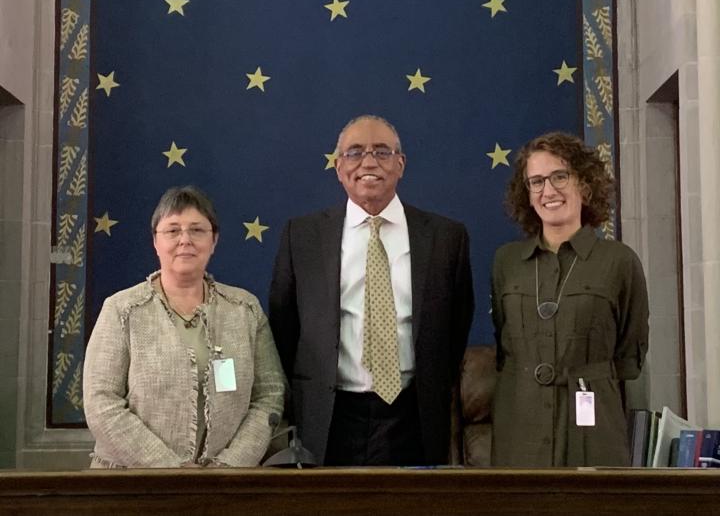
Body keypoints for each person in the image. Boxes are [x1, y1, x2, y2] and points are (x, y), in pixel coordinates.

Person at [269, 115, 474, 466]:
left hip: (414, 414)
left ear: (400, 164)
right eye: (354, 152)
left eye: (382, 151)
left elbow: (456, 326)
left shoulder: (445, 237)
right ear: (338, 167)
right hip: (331, 414)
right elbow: (284, 326)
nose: (368, 162)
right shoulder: (301, 236)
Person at [83, 186, 285, 468]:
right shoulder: (122, 309)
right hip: (130, 482)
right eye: (173, 230)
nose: (185, 240)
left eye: (197, 230)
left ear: (214, 240)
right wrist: (169, 468)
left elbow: (270, 395)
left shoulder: (245, 310)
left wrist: (230, 465)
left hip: (225, 485)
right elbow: (100, 403)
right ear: (155, 241)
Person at [491, 132, 649, 467]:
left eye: (559, 176)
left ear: (586, 185)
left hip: (594, 428)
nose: (548, 190)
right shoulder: (506, 262)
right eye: (536, 181)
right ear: (527, 194)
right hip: (519, 426)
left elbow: (628, 354)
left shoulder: (619, 261)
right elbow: (503, 344)